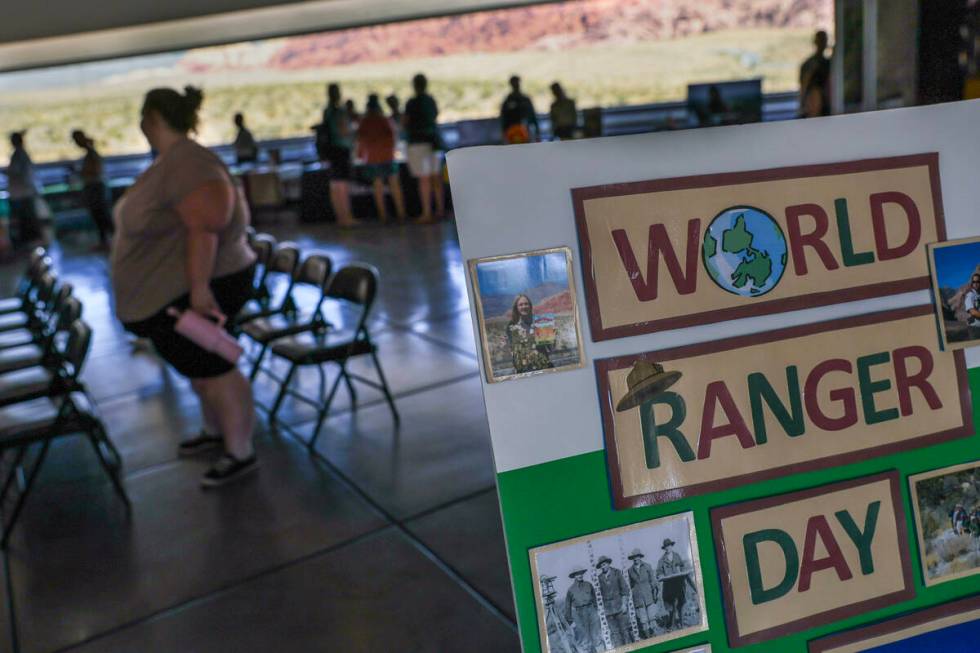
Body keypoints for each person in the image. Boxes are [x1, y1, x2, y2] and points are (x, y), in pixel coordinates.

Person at [111, 86, 258, 487]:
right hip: (179, 290)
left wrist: (198, 291)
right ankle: (217, 432)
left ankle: (239, 451)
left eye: (143, 118)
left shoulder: (190, 162)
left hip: (203, 287)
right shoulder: (173, 162)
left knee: (215, 366)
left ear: (153, 118)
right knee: (198, 368)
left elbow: (207, 225)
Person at [357, 94, 406, 223]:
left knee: (377, 187)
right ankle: (401, 214)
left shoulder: (364, 122)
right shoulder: (384, 119)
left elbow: (360, 139)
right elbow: (392, 135)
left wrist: (361, 155)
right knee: (394, 185)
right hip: (387, 155)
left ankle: (383, 216)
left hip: (372, 158)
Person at [403, 73, 444, 223]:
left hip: (417, 144)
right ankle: (439, 210)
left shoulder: (411, 103)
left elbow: (405, 121)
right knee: (435, 176)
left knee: (424, 178)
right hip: (433, 142)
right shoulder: (430, 100)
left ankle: (427, 212)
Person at [315, 83, 356, 226]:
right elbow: (344, 130)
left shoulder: (327, 111)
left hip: (330, 152)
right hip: (341, 150)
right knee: (343, 185)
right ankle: (347, 217)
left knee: (334, 184)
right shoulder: (340, 111)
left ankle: (340, 217)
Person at [72, 130, 113, 248]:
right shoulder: (89, 154)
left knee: (102, 216)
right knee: (99, 216)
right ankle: (105, 242)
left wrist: (81, 172)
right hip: (94, 188)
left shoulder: (92, 154)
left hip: (96, 188)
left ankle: (113, 240)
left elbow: (95, 171)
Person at [5, 131, 43, 248]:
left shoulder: (19, 155)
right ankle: (30, 242)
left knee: (27, 220)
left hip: (22, 193)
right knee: (26, 220)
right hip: (24, 192)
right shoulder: (20, 154)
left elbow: (19, 173)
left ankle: (31, 243)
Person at [506, 294, 553, 374]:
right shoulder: (511, 326)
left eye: (526, 304)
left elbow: (550, 348)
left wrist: (551, 336)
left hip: (543, 367)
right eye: (520, 305)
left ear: (530, 306)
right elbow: (513, 350)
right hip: (523, 371)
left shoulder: (541, 321)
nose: (524, 306)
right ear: (516, 308)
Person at [657, 538, 696, 630]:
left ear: (671, 546)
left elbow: (683, 567)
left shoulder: (677, 556)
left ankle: (681, 624)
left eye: (669, 546)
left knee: (681, 605)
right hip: (669, 587)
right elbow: (658, 573)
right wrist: (660, 575)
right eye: (666, 547)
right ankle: (672, 625)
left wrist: (682, 571)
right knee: (673, 606)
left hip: (679, 585)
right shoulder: (661, 560)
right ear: (664, 548)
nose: (668, 548)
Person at [595, 556, 633, 647]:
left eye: (604, 564)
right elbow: (598, 595)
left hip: (620, 607)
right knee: (615, 633)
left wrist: (624, 604)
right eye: (601, 566)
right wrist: (601, 610)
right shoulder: (599, 578)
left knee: (625, 630)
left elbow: (625, 590)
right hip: (608, 611)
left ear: (608, 564)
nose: (603, 567)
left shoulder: (617, 573)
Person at [563, 566, 602, 653]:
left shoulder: (589, 585)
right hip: (580, 613)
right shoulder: (571, 590)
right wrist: (570, 621)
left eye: (581, 573)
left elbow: (595, 598)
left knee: (596, 634)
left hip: (592, 611)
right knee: (585, 636)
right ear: (574, 576)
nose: (580, 575)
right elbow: (567, 606)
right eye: (577, 574)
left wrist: (597, 610)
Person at [627, 548, 659, 639]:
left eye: (637, 556)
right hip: (638, 598)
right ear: (632, 559)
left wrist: (655, 593)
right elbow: (630, 585)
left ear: (640, 557)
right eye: (634, 557)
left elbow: (652, 580)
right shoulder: (629, 571)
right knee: (643, 620)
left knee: (652, 617)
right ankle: (648, 637)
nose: (635, 559)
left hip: (649, 595)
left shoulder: (647, 566)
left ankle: (656, 637)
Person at [800, 30, 831, 118]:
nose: (822, 44)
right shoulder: (808, 65)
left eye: (823, 41)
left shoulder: (829, 64)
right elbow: (803, 86)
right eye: (820, 41)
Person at [500, 75, 539, 144]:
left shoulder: (526, 99)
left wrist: (537, 131)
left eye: (517, 83)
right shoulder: (508, 100)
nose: (516, 85)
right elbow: (504, 118)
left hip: (526, 130)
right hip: (513, 131)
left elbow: (532, 115)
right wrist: (504, 133)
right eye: (514, 83)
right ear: (511, 84)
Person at [965, 274, 980, 340]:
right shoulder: (970, 295)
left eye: (978, 282)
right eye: (974, 282)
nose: (976, 284)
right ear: (972, 283)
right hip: (975, 329)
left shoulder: (978, 295)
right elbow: (973, 312)